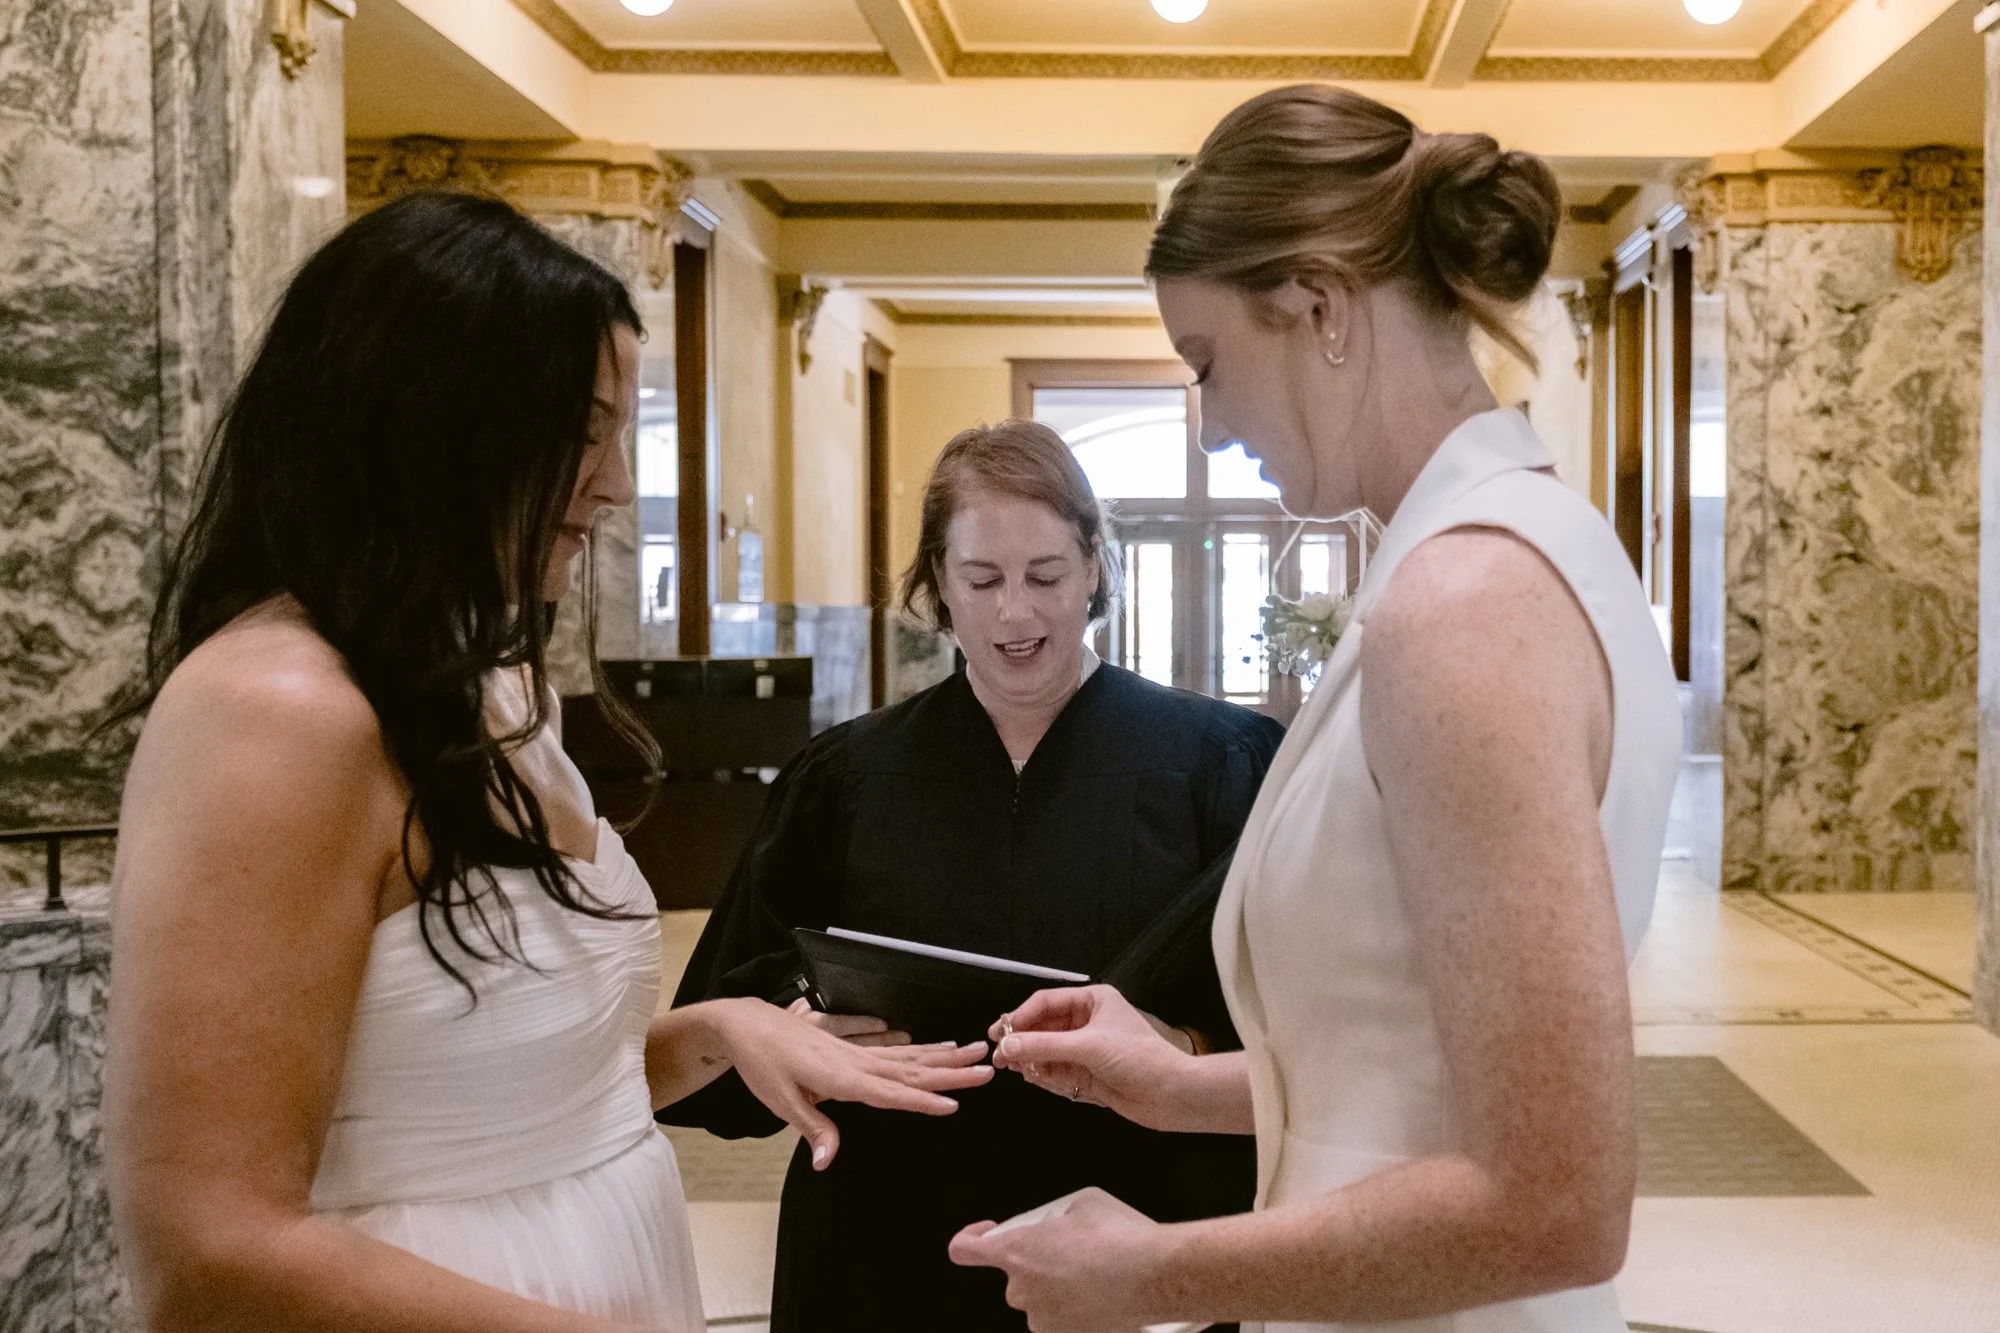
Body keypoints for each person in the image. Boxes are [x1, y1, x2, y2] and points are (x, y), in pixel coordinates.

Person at [103, 190, 989, 1333]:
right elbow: (207, 1254)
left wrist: (723, 1030)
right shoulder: (278, 714)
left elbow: (523, 1100)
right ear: (432, 425)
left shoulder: (494, 685)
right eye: (583, 434)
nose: (616, 486)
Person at [949, 84, 1681, 1333]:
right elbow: (1425, 1072)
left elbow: (1555, 1197)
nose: (1211, 424)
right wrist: (1179, 1086)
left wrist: (1152, 1272)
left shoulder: (1460, 600)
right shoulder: (1509, 542)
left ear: (1320, 306)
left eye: (1207, 362)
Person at [660, 419, 1286, 1332]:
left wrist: (1181, 1048)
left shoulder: (1217, 765)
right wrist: (804, 1032)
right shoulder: (843, 780)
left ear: (1096, 571)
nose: (1015, 615)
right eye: (981, 580)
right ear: (937, 588)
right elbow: (720, 1045)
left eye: (1046, 576)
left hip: (1139, 1234)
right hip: (886, 1246)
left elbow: (1312, 1045)